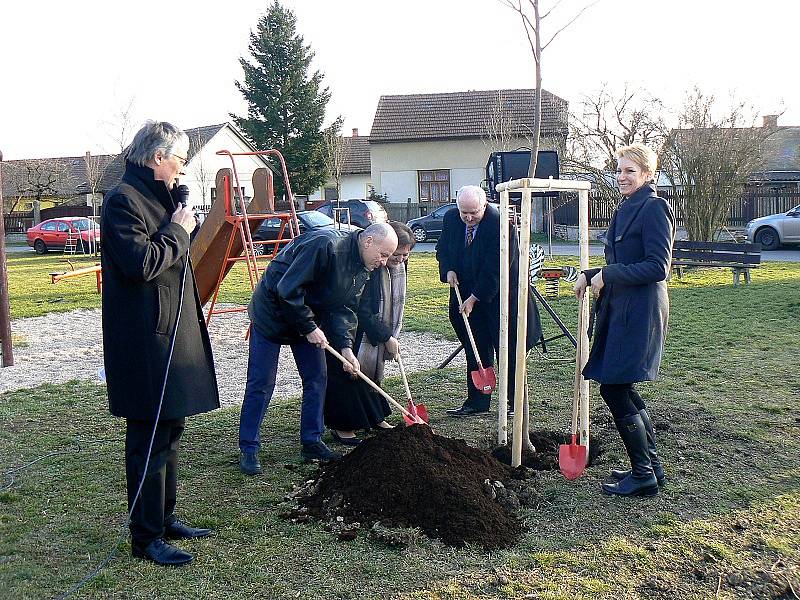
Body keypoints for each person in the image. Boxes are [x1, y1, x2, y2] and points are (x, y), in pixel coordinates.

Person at [101, 121, 219, 566]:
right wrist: (179, 231)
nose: (182, 168)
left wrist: (177, 225)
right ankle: (145, 536)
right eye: (180, 159)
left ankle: (165, 518)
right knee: (149, 438)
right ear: (157, 158)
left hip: (171, 333)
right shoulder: (123, 201)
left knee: (171, 428)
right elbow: (140, 263)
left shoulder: (162, 199)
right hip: (144, 340)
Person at [238, 223, 398, 473]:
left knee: (317, 378)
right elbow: (287, 290)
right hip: (272, 313)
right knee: (262, 382)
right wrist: (309, 327)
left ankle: (311, 441)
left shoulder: (363, 266)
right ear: (368, 242)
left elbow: (343, 308)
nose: (385, 261)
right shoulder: (326, 245)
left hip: (309, 318)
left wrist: (345, 348)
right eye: (384, 254)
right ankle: (249, 447)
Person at [573, 142, 675, 497]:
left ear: (649, 175)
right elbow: (623, 259)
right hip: (622, 309)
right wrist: (592, 273)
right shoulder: (627, 206)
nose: (622, 177)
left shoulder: (654, 208)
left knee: (614, 387)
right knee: (621, 387)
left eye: (630, 171)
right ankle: (651, 467)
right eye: (619, 170)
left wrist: (608, 274)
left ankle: (643, 472)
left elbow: (657, 267)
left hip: (640, 311)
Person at [436, 185, 542, 416]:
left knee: (508, 349)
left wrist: (475, 298)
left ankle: (515, 402)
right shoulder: (452, 219)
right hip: (465, 293)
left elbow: (497, 269)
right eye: (464, 212)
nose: (468, 217)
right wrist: (448, 269)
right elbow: (443, 248)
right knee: (475, 347)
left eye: (474, 212)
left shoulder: (501, 225)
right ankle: (478, 401)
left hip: (502, 298)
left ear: (485, 205)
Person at [324, 221, 415, 445]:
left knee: (370, 375)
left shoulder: (398, 267)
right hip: (350, 325)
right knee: (349, 375)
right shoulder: (371, 267)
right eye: (396, 255)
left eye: (405, 255)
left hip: (373, 328)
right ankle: (343, 426)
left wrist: (388, 334)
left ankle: (374, 417)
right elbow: (361, 309)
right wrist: (386, 336)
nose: (400, 260)